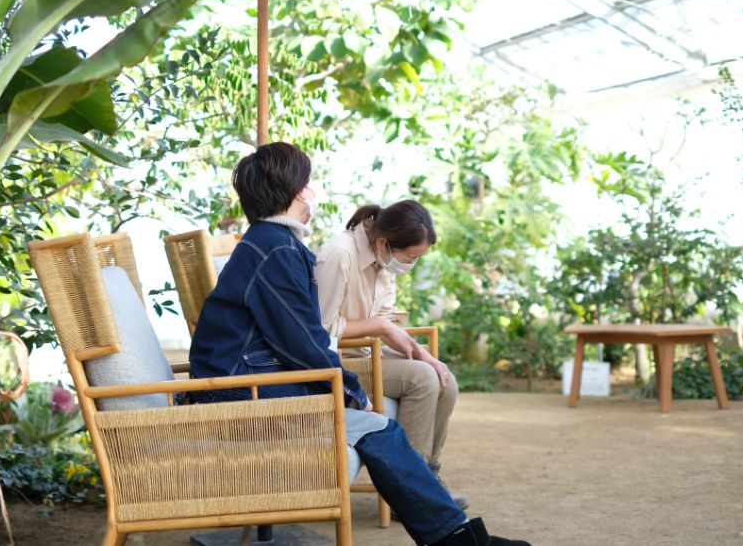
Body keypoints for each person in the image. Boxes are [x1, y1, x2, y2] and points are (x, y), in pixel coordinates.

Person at [189, 142, 530, 546]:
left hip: (246, 386)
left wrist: (352, 386)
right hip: (239, 397)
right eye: (308, 183)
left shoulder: (271, 243)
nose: (312, 191)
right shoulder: (275, 247)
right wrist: (352, 390)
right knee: (379, 425)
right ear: (298, 193)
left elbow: (294, 339)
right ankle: (460, 540)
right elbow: (303, 342)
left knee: (382, 427)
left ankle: (458, 538)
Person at [314, 201, 467, 508]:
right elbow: (319, 329)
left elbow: (386, 322)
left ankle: (426, 479)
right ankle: (412, 495)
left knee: (444, 379)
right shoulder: (339, 254)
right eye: (411, 257)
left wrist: (424, 355)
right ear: (384, 242)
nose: (411, 264)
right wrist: (381, 328)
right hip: (338, 362)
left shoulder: (382, 260)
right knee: (423, 379)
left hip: (369, 354)